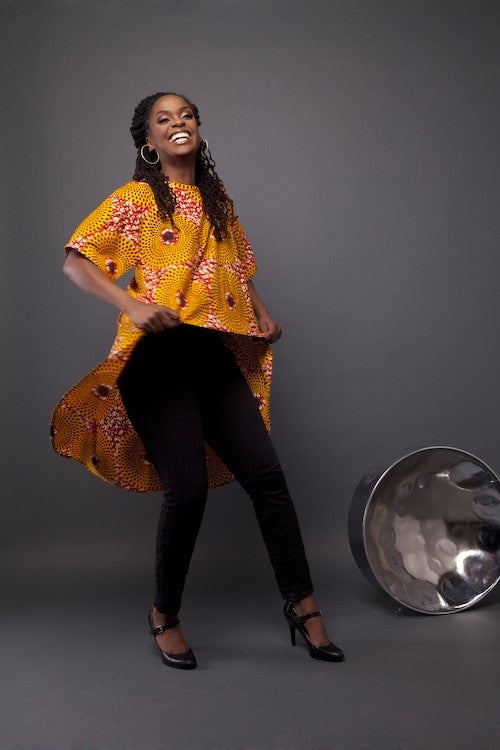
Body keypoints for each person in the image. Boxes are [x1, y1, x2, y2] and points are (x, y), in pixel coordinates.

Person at [51, 92, 344, 669]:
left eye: (185, 115)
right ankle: (164, 615)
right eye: (164, 120)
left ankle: (304, 607)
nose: (177, 123)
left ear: (199, 130)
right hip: (156, 361)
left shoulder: (219, 201)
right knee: (184, 491)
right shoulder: (136, 200)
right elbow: (75, 262)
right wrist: (131, 306)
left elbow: (237, 268)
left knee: (268, 477)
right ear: (149, 141)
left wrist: (260, 312)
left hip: (212, 357)